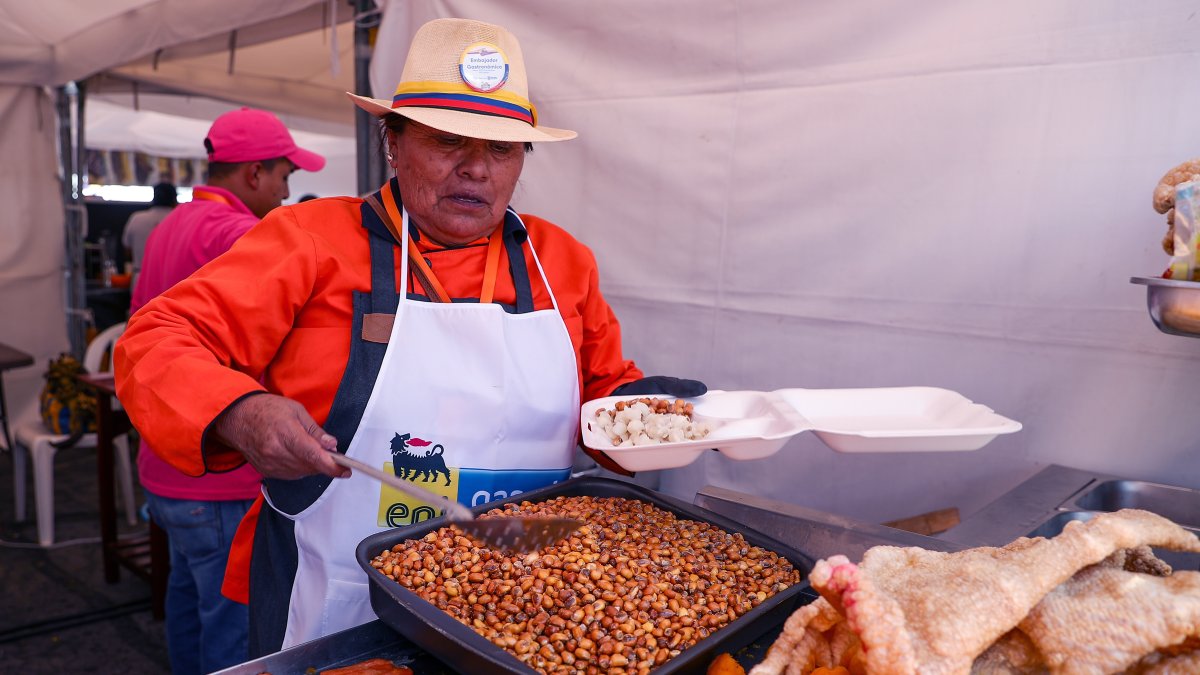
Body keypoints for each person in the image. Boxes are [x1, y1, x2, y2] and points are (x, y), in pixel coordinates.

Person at [114, 18, 704, 658]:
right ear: (392, 142)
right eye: (448, 141)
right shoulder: (310, 242)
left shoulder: (560, 263)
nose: (476, 168)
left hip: (523, 597)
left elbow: (604, 400)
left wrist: (645, 416)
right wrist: (239, 411)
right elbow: (154, 341)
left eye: (502, 149)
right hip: (339, 598)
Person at [128, 107, 325, 675]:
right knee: (234, 628)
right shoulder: (244, 234)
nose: (287, 194)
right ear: (255, 174)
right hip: (218, 476)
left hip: (163, 457)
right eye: (285, 177)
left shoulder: (172, 223)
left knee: (187, 600)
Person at [121, 181, 176, 289]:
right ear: (174, 200)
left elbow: (127, 250)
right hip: (171, 279)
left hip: (140, 277)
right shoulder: (180, 219)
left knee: (141, 307)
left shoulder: (137, 218)